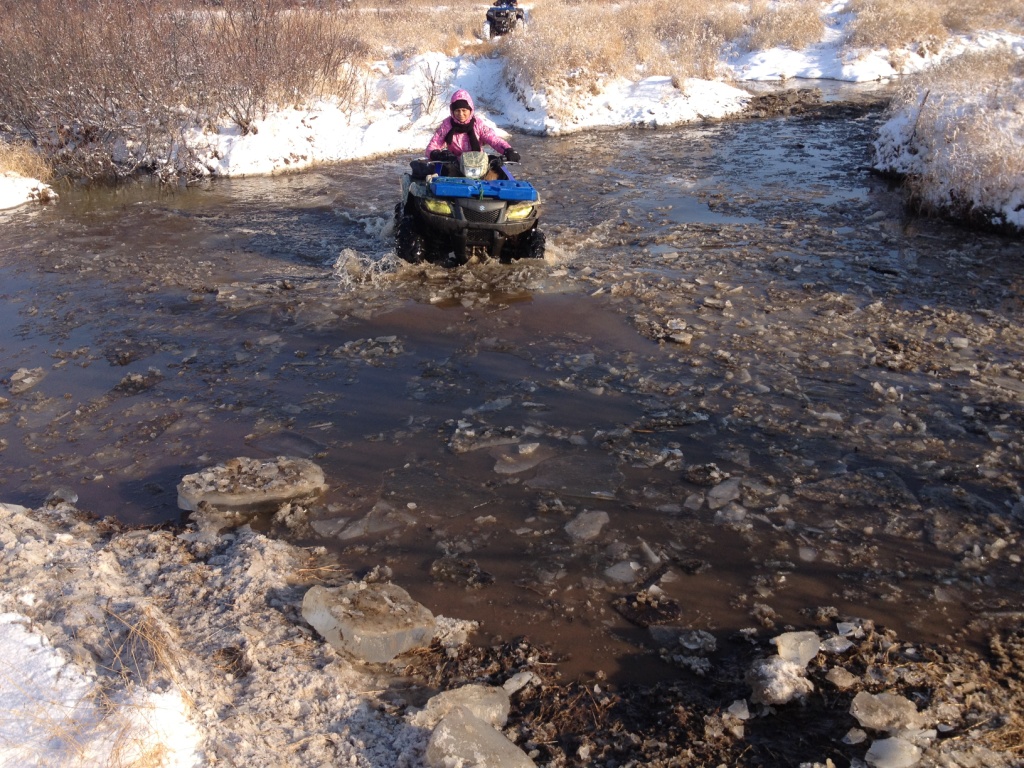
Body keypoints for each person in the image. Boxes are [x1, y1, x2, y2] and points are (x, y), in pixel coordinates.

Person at [426, 90, 520, 164]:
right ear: (452, 111)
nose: (461, 114)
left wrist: (508, 150)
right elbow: (433, 145)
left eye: (464, 110)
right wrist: (435, 154)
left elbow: (494, 140)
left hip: (477, 163)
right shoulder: (446, 126)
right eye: (457, 111)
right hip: (455, 163)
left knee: (498, 170)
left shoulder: (478, 124)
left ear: (470, 110)